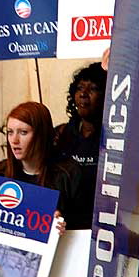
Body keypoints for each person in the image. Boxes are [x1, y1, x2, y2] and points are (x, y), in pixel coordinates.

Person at [0, 101, 85, 230]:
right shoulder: (1, 171)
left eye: (23, 132)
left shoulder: (69, 174)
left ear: (41, 135)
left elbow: (82, 229)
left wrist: (63, 225)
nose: (14, 140)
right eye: (10, 132)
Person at [53, 62, 107, 228]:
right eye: (80, 88)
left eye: (92, 89)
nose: (83, 94)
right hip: (66, 228)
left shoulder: (115, 137)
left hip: (100, 227)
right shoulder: (60, 134)